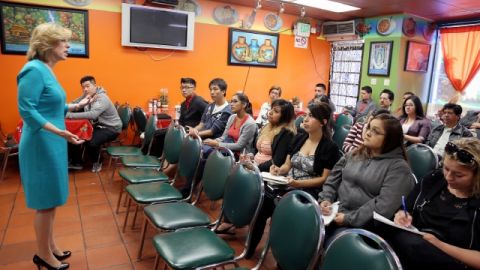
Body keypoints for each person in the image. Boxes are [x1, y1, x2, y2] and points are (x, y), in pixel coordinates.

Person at [17, 23, 91, 270]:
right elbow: (27, 110)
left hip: (54, 141)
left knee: (53, 199)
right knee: (45, 202)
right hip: (41, 142)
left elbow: (51, 105)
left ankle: (51, 247)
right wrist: (58, 130)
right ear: (47, 45)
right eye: (63, 41)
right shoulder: (33, 70)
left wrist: (76, 107)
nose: (68, 46)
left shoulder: (47, 70)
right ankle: (42, 255)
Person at [246, 102, 341, 258]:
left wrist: (298, 184)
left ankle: (285, 255)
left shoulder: (329, 147)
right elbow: (287, 165)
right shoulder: (299, 138)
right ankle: (250, 248)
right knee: (264, 203)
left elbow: (324, 179)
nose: (305, 119)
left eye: (311, 116)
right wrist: (278, 170)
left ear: (323, 122)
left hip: (310, 190)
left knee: (283, 207)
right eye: (306, 115)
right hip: (289, 183)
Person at [384, 138, 480, 270]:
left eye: (459, 175)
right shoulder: (433, 180)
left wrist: (439, 244)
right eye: (446, 168)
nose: (448, 177)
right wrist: (402, 215)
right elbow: (406, 209)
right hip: (410, 252)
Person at [319, 113, 415, 243]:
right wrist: (326, 199)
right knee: (305, 226)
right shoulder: (355, 153)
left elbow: (383, 207)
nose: (368, 133)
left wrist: (348, 218)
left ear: (390, 139)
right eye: (369, 128)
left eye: (375, 131)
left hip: (364, 227)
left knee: (324, 241)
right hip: (335, 214)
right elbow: (333, 179)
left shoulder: (399, 168)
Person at [66, 75, 122, 172]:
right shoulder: (87, 95)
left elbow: (93, 114)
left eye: (88, 86)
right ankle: (76, 162)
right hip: (98, 126)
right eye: (83, 87)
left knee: (91, 141)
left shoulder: (102, 98)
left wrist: (69, 115)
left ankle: (98, 161)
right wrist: (66, 109)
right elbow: (75, 102)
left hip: (111, 128)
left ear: (94, 85)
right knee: (75, 134)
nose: (85, 89)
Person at [253, 99, 296, 172]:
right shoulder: (267, 126)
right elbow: (257, 151)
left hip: (268, 173)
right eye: (271, 109)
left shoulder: (286, 133)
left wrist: (256, 167)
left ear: (284, 117)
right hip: (256, 168)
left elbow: (277, 162)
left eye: (276, 111)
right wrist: (250, 158)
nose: (270, 112)